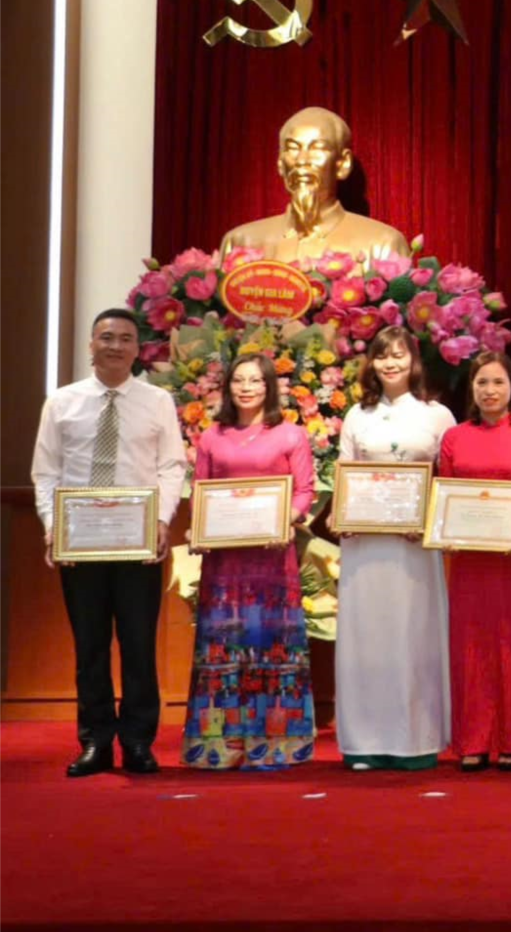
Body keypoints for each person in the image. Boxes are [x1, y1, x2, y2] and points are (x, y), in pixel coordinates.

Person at [32, 307, 186, 777]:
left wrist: (161, 520)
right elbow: (46, 472)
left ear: (137, 349)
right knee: (90, 647)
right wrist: (52, 525)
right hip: (80, 542)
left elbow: (171, 467)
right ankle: (95, 742)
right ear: (91, 345)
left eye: (125, 338)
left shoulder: (157, 401)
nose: (115, 346)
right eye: (106, 337)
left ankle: (138, 742)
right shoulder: (61, 402)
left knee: (139, 646)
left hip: (138, 542)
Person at [182, 353, 318, 770]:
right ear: (227, 387)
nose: (246, 388)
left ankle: (278, 744)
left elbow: (304, 491)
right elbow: (202, 491)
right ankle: (218, 747)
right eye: (238, 380)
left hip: (272, 561)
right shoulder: (212, 437)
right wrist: (198, 531)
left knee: (270, 643)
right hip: (225, 564)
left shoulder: (291, 434)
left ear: (269, 387)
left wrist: (286, 519)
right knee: (224, 645)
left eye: (255, 380)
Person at [335, 326, 456, 771]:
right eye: (382, 355)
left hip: (414, 548)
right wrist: (344, 516)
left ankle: (417, 741)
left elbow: (449, 480)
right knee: (367, 638)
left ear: (414, 361)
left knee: (412, 637)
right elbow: (345, 474)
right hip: (365, 546)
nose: (391, 363)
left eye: (399, 355)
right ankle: (363, 742)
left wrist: (428, 519)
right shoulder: (357, 415)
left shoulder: (437, 415)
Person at [436, 351, 511, 772]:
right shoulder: (455, 438)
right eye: (481, 382)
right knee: (472, 647)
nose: (489, 390)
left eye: (498, 381)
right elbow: (444, 495)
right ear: (472, 388)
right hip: (470, 564)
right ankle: (474, 740)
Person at [219, 106, 412, 264]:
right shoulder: (241, 243)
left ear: (343, 163)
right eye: (293, 148)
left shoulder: (382, 244)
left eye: (317, 148)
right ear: (280, 163)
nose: (302, 160)